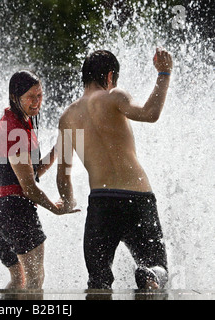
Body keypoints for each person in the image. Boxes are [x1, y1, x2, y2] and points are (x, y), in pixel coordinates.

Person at [56, 48, 173, 289]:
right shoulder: (114, 96)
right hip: (137, 200)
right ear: (110, 76)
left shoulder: (67, 116)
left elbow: (63, 175)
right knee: (157, 268)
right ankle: (149, 275)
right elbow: (150, 113)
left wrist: (67, 203)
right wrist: (164, 73)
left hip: (101, 204)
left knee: (98, 282)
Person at [0, 70, 78, 290]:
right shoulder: (15, 130)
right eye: (31, 97)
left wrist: (58, 149)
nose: (37, 102)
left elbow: (30, 173)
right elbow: (28, 187)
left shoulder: (15, 120)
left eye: (40, 95)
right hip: (14, 212)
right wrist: (55, 209)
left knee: (19, 281)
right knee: (35, 282)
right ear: (15, 97)